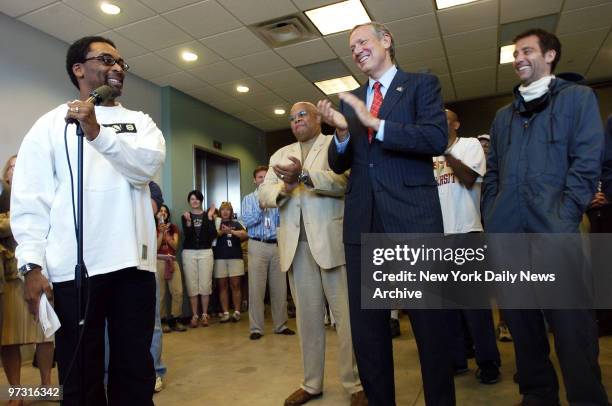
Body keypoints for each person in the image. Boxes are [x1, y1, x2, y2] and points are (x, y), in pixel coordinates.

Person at [10, 36, 166, 405]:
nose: (117, 68)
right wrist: (30, 265)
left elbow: (144, 169)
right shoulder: (49, 126)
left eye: (121, 63)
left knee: (135, 371)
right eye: (106, 60)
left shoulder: (139, 122)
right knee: (80, 376)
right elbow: (31, 201)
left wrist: (96, 133)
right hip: (73, 272)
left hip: (134, 266)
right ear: (79, 69)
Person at [317, 22, 455, 405]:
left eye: (363, 41)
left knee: (430, 329)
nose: (357, 49)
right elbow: (338, 161)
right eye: (352, 46)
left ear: (387, 40)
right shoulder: (351, 101)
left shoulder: (421, 85)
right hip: (364, 224)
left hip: (413, 222)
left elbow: (433, 138)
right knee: (369, 333)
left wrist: (375, 124)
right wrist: (343, 133)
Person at [482, 28, 609, 405]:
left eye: (527, 50)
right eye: (515, 52)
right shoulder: (503, 117)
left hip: (557, 233)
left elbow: (588, 163)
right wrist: (493, 212)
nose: (518, 57)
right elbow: (493, 173)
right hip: (509, 235)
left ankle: (587, 398)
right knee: (522, 324)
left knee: (572, 326)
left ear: (550, 55)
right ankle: (538, 393)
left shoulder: (578, 99)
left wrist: (565, 214)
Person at [260, 102, 365, 406]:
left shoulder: (336, 144)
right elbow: (264, 194)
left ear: (319, 118)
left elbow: (345, 181)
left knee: (346, 319)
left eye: (302, 115)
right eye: (291, 118)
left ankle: (356, 383)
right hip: (296, 246)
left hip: (331, 243)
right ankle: (311, 383)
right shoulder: (279, 155)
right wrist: (286, 185)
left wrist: (304, 177)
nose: (296, 121)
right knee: (307, 321)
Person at [433, 109, 501, 384]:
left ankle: (488, 363)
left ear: (456, 124)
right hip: (438, 237)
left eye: (444, 121)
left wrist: (446, 154)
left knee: (475, 307)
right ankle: (457, 359)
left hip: (467, 232)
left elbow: (470, 178)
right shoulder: (428, 155)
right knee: (447, 309)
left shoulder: (470, 145)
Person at [241, 166, 294, 339]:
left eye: (266, 177)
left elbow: (283, 220)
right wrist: (260, 206)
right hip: (257, 245)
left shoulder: (278, 198)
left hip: (277, 245)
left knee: (280, 288)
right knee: (256, 289)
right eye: (259, 177)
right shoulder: (248, 199)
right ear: (254, 180)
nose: (263, 180)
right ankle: (256, 328)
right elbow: (247, 221)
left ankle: (281, 325)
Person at [181, 190, 217, 328]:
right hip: (189, 252)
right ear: (189, 201)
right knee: (192, 284)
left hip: (205, 252)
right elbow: (187, 236)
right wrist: (189, 223)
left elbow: (213, 235)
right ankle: (195, 315)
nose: (194, 201)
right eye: (192, 199)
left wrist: (209, 218)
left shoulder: (208, 215)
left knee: (205, 284)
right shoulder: (185, 216)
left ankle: (204, 315)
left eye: (197, 199)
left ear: (201, 200)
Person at [213, 201, 247, 323]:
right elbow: (210, 237)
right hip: (220, 258)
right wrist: (221, 232)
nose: (225, 212)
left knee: (236, 285)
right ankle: (226, 312)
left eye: (228, 210)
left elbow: (245, 234)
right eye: (223, 210)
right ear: (220, 212)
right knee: (222, 286)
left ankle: (237, 312)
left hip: (235, 257)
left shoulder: (236, 223)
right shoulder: (216, 224)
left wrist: (231, 232)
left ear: (231, 212)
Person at [156, 204, 186, 333]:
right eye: (160, 211)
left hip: (172, 261)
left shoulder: (173, 228)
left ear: (168, 215)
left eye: (165, 212)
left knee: (178, 291)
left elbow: (175, 246)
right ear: (157, 214)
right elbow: (155, 247)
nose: (163, 213)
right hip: (159, 261)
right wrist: (161, 233)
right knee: (161, 294)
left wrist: (168, 236)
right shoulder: (152, 228)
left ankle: (176, 319)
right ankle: (162, 321)